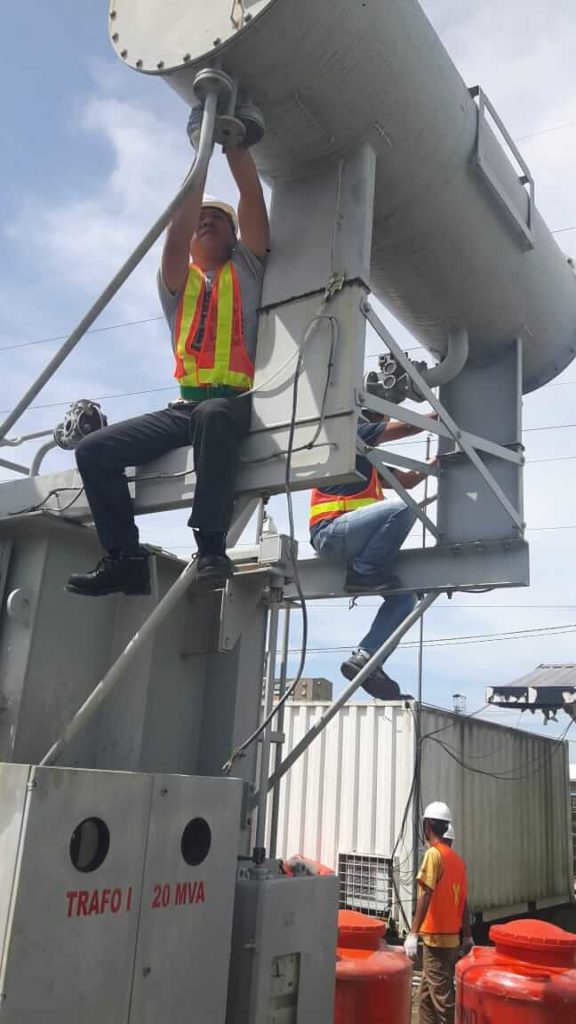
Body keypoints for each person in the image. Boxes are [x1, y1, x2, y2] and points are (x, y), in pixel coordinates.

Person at [66, 124, 270, 597]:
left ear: (234, 235)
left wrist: (232, 143)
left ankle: (211, 547)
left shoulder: (249, 268)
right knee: (93, 451)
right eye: (199, 217)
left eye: (216, 218)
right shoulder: (180, 282)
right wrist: (198, 161)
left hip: (233, 402)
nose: (205, 221)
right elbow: (175, 236)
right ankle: (125, 558)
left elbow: (252, 198)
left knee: (215, 415)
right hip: (183, 409)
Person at [309, 410, 433, 699]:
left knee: (404, 599)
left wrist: (437, 462)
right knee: (403, 508)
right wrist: (440, 418)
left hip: (349, 542)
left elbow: (408, 480)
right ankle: (365, 572)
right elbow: (405, 428)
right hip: (332, 533)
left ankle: (366, 658)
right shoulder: (347, 439)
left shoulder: (367, 465)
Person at [404, 801, 473, 1024]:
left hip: (436, 941)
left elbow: (426, 894)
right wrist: (468, 935)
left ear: (428, 826)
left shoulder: (434, 855)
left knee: (444, 1003)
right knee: (425, 999)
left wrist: (413, 934)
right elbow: (463, 902)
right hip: (452, 940)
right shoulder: (458, 862)